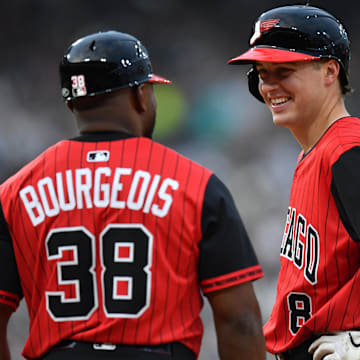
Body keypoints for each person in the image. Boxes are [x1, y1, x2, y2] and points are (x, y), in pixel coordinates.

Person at [0, 30, 266, 360]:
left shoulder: (14, 192)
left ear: (72, 103)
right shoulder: (195, 184)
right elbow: (240, 321)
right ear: (141, 95)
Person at [228, 4, 360, 360]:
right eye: (261, 73)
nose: (269, 85)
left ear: (330, 71)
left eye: (284, 71)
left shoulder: (348, 149)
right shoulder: (314, 153)